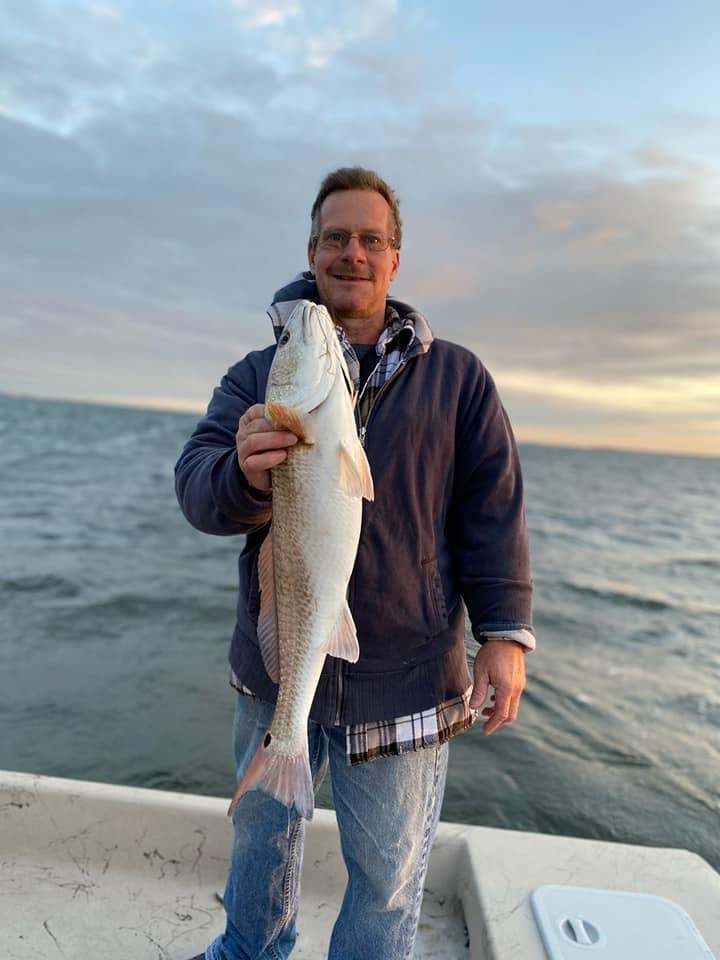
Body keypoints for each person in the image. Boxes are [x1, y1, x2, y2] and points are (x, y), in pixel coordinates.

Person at [174, 166, 535, 960]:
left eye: (371, 239)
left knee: (387, 877)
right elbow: (197, 489)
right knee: (262, 846)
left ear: (395, 258)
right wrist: (243, 476)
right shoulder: (260, 376)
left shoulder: (458, 379)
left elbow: (493, 509)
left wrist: (505, 632)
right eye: (335, 237)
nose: (353, 253)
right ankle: (248, 953)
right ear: (312, 250)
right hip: (277, 671)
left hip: (407, 676)